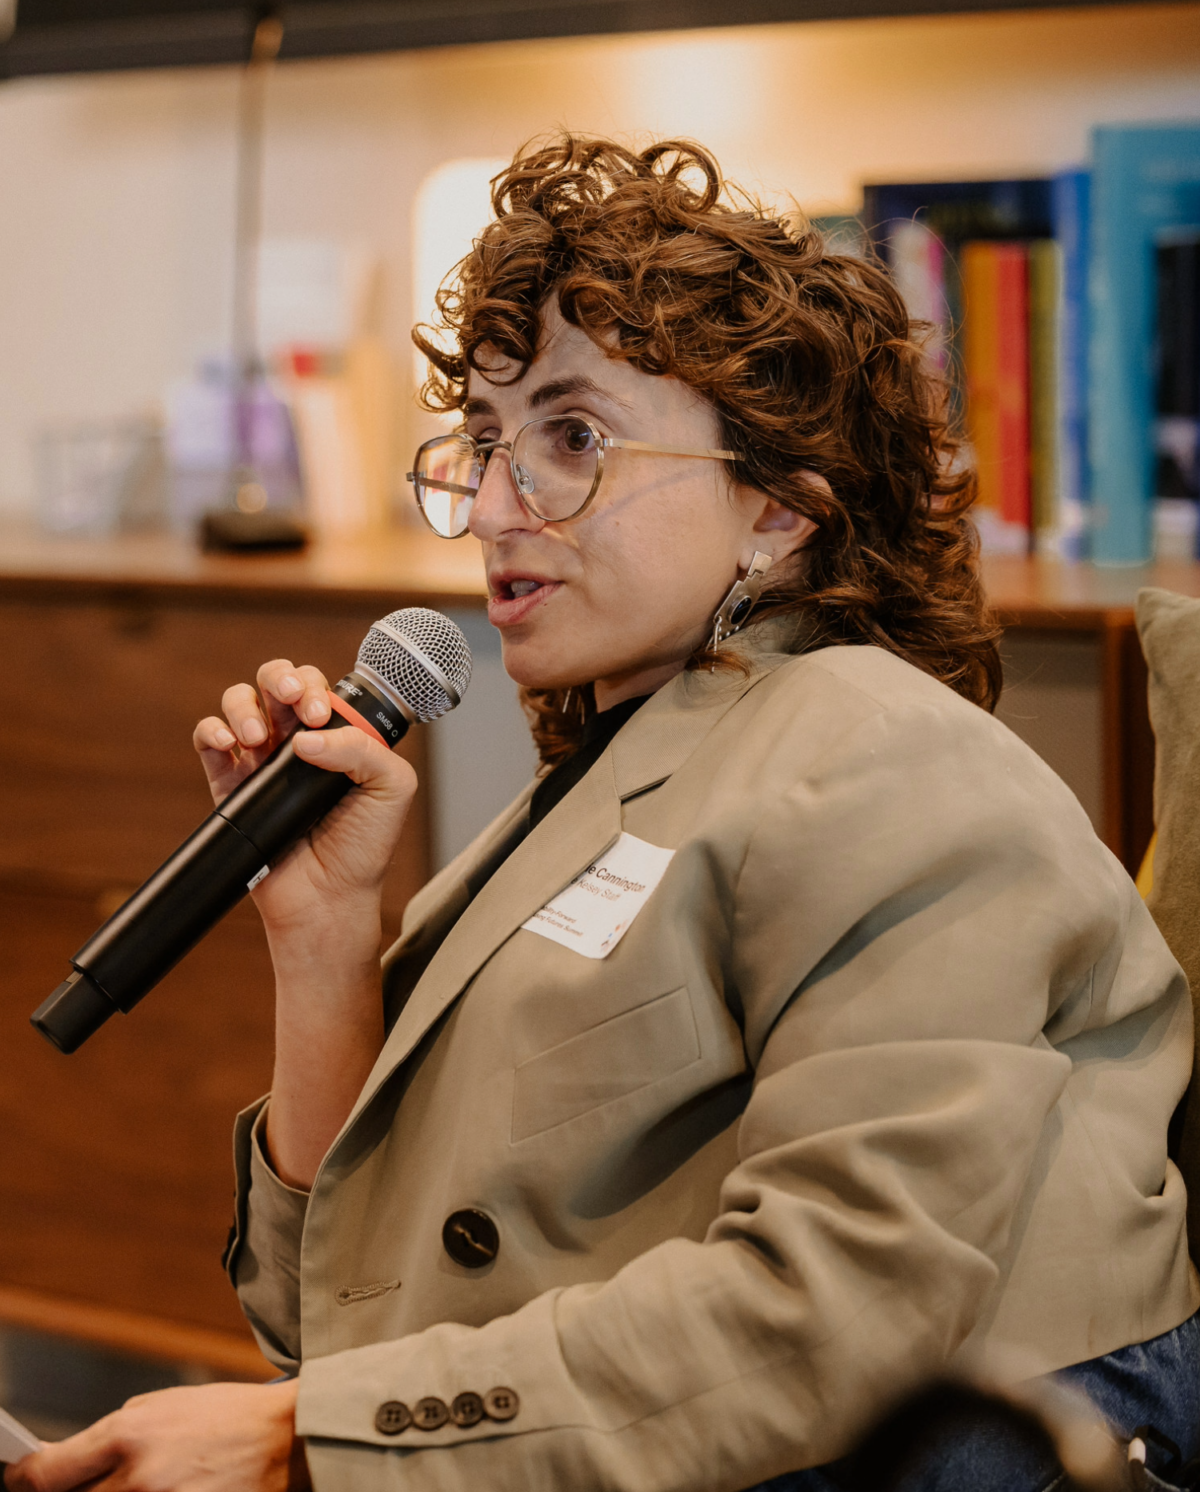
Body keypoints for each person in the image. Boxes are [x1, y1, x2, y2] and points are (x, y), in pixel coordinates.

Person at [8, 137, 1199, 1492]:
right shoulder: (602, 786)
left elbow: (837, 1309)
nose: (493, 508)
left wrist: (300, 1441)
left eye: (571, 437)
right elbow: (326, 1312)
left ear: (780, 505)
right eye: (484, 443)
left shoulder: (890, 757)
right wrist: (325, 935)